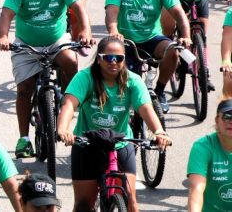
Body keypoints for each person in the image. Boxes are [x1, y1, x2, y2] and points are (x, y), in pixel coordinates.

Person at [0, 0, 92, 158]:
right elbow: (6, 15)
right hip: (26, 45)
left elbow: (79, 9)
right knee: (24, 89)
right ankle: (24, 139)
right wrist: (3, 37)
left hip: (56, 41)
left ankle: (69, 104)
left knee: (71, 61)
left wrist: (85, 31)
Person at [57, 36, 170, 211]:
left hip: (121, 143)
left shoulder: (133, 80)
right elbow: (69, 104)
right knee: (83, 205)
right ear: (99, 58)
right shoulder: (85, 77)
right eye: (108, 57)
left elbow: (146, 109)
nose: (114, 62)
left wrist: (159, 132)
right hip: (87, 144)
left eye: (119, 58)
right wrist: (63, 129)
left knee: (131, 201)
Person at [105, 0, 191, 113]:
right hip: (127, 42)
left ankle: (159, 92)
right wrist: (114, 30)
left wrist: (186, 36)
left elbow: (179, 13)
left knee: (172, 51)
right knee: (128, 87)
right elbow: (111, 12)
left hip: (152, 38)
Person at [187, 98, 232, 212]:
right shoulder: (202, 147)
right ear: (217, 120)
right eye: (227, 116)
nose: (231, 121)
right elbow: (196, 188)